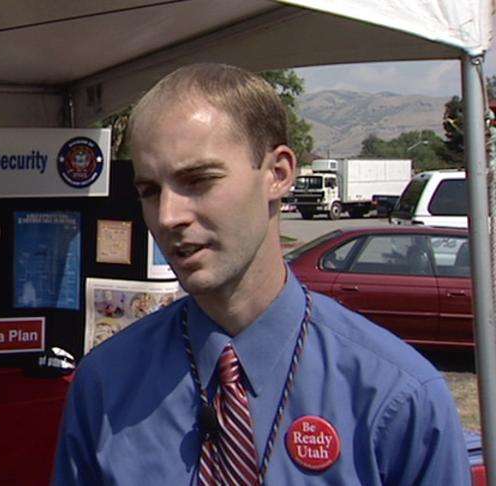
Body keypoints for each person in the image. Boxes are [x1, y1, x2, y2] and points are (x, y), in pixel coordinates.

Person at [53, 63, 469, 485]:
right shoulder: (106, 384)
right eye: (149, 191)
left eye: (198, 180)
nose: (167, 216)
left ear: (279, 174)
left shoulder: (396, 397)